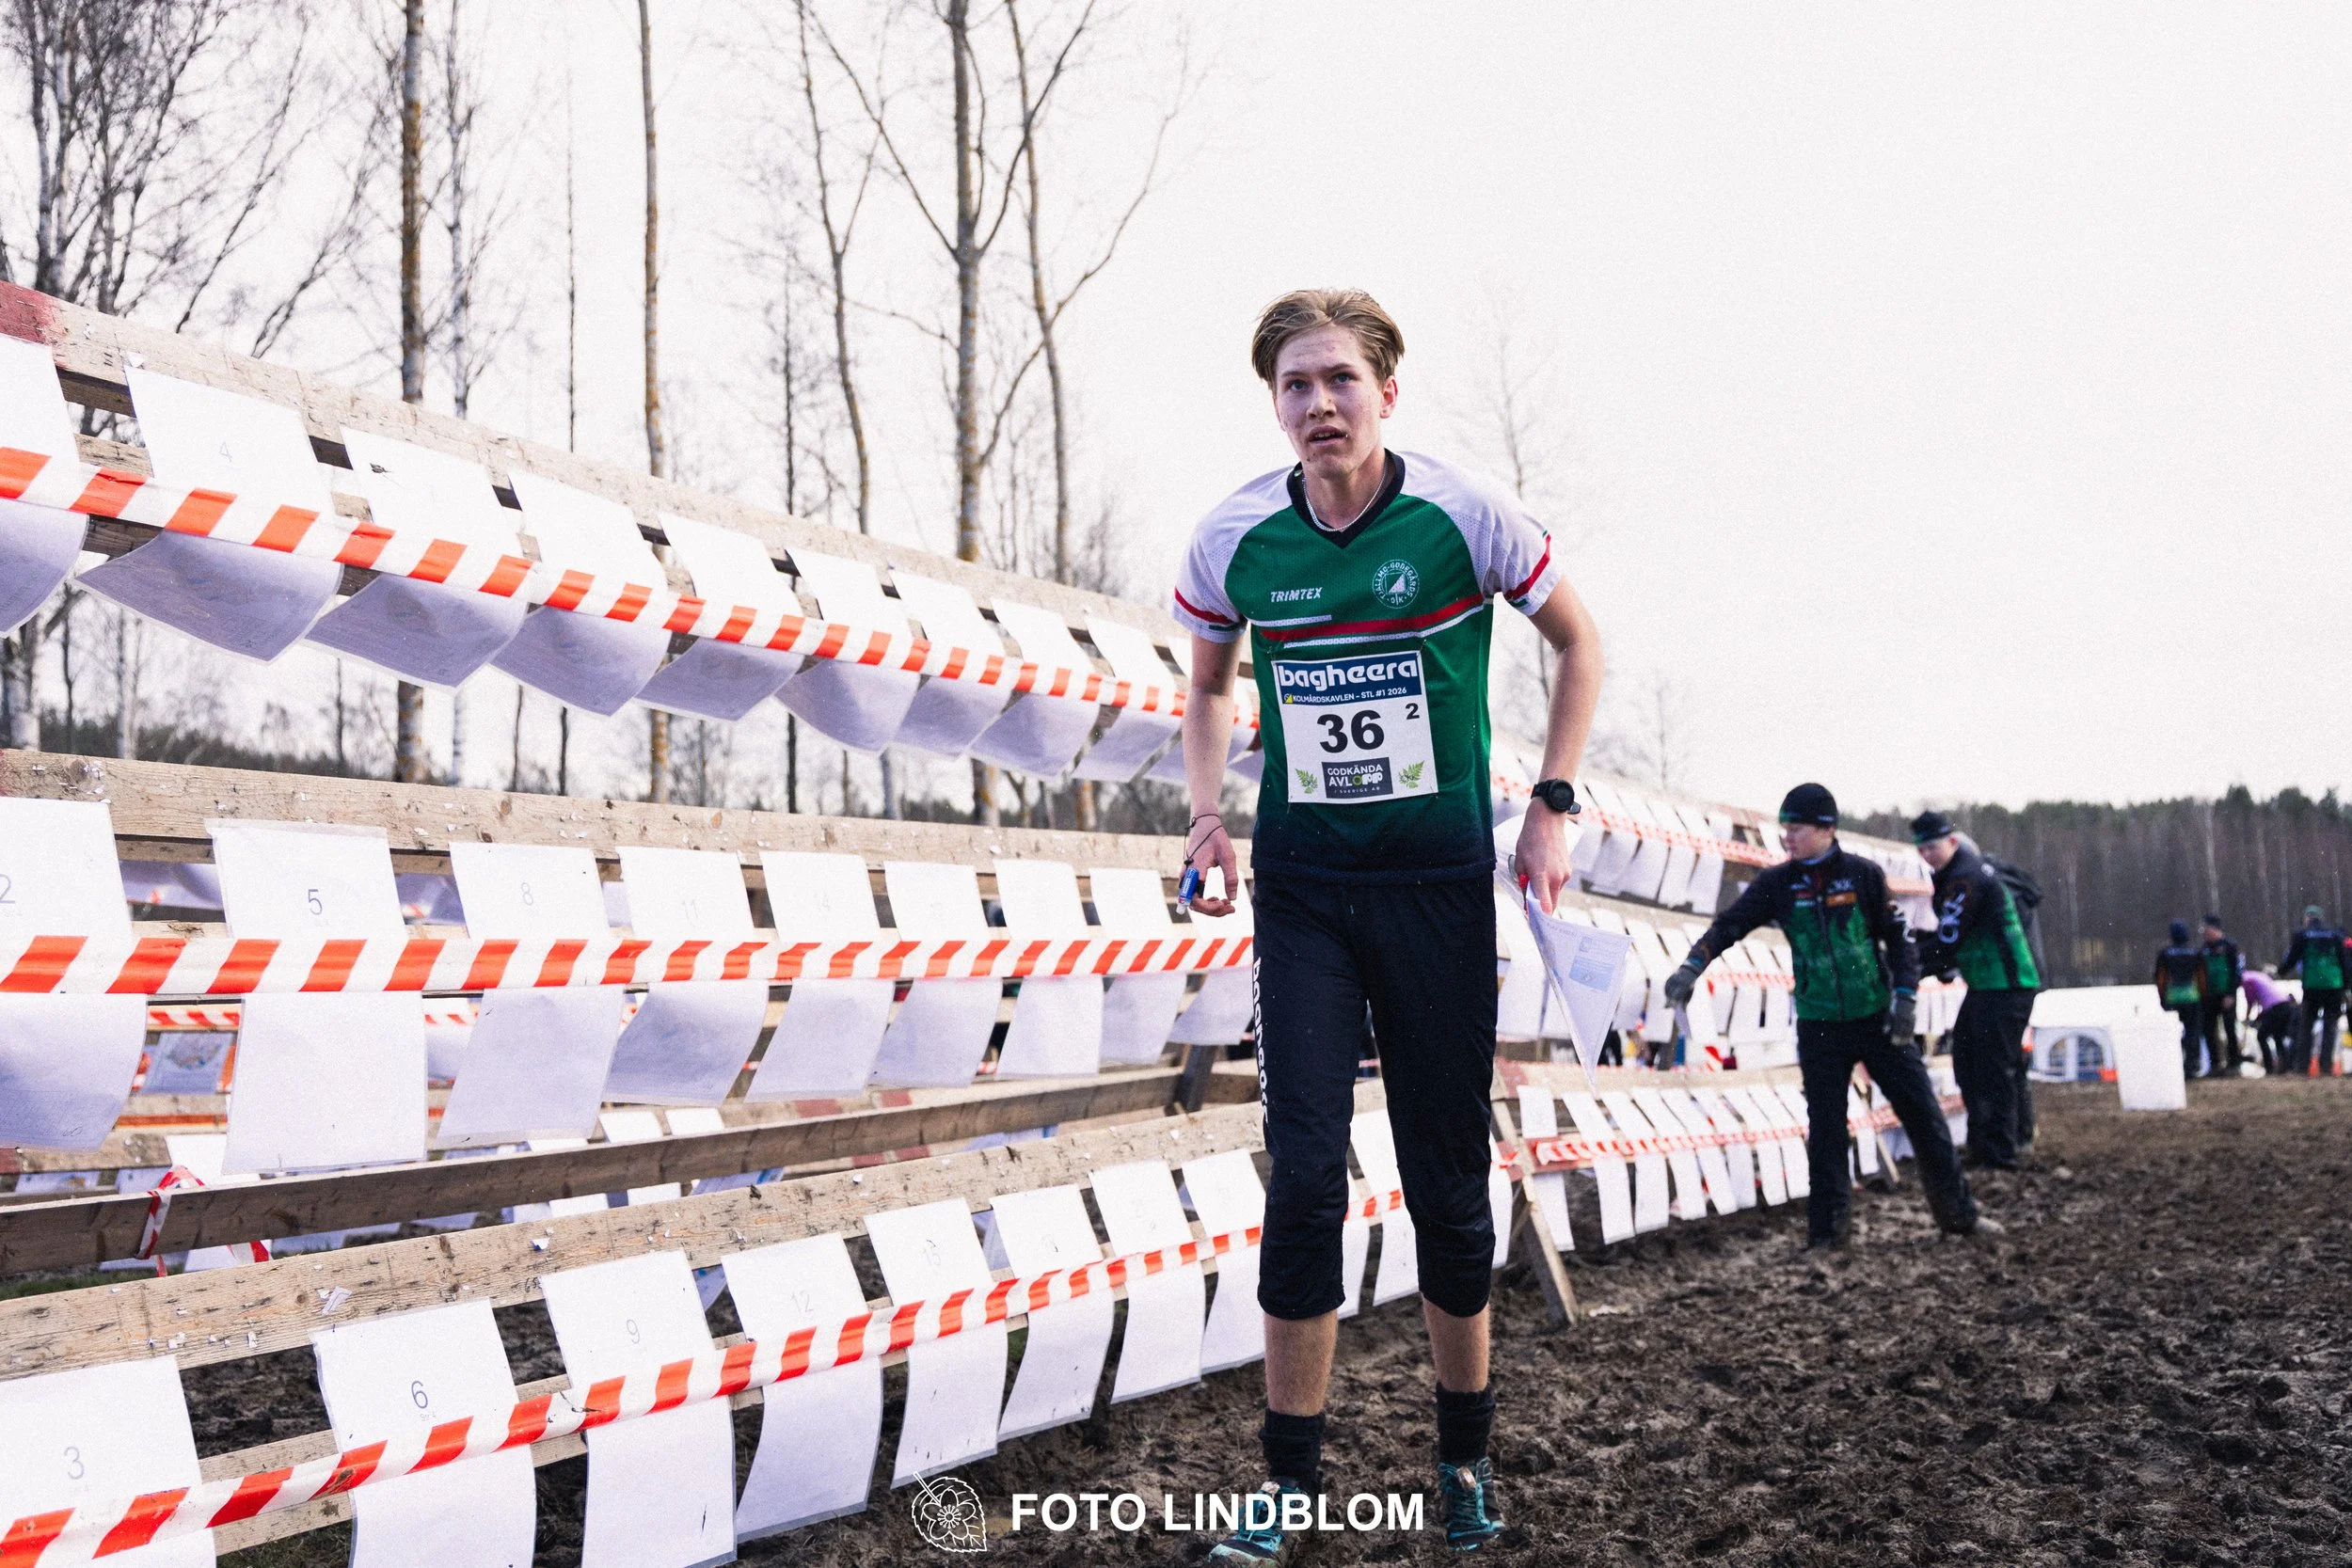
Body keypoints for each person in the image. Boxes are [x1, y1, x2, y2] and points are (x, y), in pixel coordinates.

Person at [1175, 289, 1603, 1560]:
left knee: (1445, 1182)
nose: (1317, 405)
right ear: (1275, 404)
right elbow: (1204, 680)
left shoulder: (1464, 515)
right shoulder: (1233, 539)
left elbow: (1578, 641)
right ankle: (1289, 1483)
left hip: (1432, 888)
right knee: (1304, 1174)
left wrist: (1554, 803)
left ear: (1387, 392)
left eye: (1339, 381)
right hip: (1304, 888)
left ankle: (1462, 1460)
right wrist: (1207, 816)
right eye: (1294, 385)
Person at [1661, 784, 1985, 1248]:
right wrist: (1694, 965)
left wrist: (1906, 999)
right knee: (1827, 1130)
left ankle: (1960, 1219)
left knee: (1924, 1116)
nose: (1787, 837)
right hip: (1819, 1023)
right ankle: (1827, 1238)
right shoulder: (1778, 883)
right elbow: (1730, 924)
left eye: (1796, 828)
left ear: (1826, 829)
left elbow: (1898, 940)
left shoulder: (1862, 876)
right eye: (1785, 828)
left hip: (1876, 1017)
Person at [1909, 813, 2042, 1167]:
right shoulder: (1957, 874)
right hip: (1988, 982)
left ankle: (1999, 1152)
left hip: (2006, 984)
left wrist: (1911, 962)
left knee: (1992, 1067)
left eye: (1933, 847)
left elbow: (1950, 936)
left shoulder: (1966, 877)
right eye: (1921, 848)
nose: (1927, 855)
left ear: (1952, 842)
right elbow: (1952, 937)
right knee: (1969, 1061)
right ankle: (1987, 1145)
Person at [2278, 906, 2347, 1076]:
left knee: (2306, 1026)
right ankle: (2326, 1067)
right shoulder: (2335, 935)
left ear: (2307, 918)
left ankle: (2302, 1067)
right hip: (2334, 987)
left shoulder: (2303, 935)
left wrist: (2280, 972)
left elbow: (2292, 958)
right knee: (2330, 1027)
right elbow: (2345, 962)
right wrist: (2347, 986)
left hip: (2312, 988)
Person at [2152, 921, 2209, 1075]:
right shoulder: (2195, 952)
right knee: (2193, 1032)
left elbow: (2161, 978)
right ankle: (2192, 1064)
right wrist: (2203, 997)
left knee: (2172, 1033)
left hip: (2172, 997)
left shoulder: (2165, 953)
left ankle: (2173, 1064)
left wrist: (2162, 998)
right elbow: (2202, 977)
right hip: (2192, 997)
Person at [2198, 915, 2245, 1077]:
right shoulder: (2203, 949)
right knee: (2209, 1031)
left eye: (2207, 929)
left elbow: (2237, 972)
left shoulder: (2230, 946)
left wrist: (2231, 994)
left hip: (2226, 995)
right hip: (2209, 996)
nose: (2204, 933)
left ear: (2215, 929)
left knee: (2230, 1029)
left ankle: (2234, 1064)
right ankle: (2215, 1064)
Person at [2243, 966, 2296, 1074]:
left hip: (2275, 1008)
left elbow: (2251, 1002)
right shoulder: (2258, 975)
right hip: (2285, 1005)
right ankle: (2285, 1067)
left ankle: (2269, 1067)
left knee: (2261, 1036)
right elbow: (2267, 1000)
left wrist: (2247, 1019)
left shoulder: (2246, 980)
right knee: (2278, 1036)